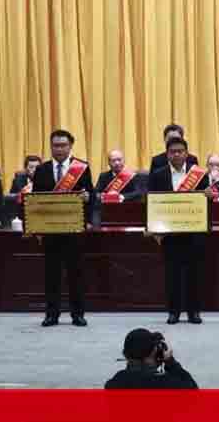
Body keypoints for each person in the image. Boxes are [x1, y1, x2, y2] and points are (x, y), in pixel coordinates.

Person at [32, 129, 94, 327]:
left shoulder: (81, 168)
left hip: (74, 230)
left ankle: (78, 314)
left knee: (76, 274)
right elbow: (35, 200)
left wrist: (87, 198)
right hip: (50, 231)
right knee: (51, 275)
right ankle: (51, 315)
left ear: (70, 146)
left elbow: (91, 196)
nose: (59, 149)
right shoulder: (42, 170)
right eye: (55, 145)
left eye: (63, 145)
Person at [148, 137, 212, 324]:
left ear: (186, 153)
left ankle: (194, 312)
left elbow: (206, 202)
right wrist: (154, 229)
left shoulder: (199, 174)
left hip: (194, 232)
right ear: (167, 154)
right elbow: (152, 201)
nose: (176, 154)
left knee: (194, 274)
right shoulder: (158, 175)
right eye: (173, 151)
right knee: (172, 274)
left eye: (180, 151)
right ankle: (173, 312)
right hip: (170, 233)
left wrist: (208, 196)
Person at [105, 328, 198, 389]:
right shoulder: (165, 383)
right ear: (153, 353)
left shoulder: (115, 382)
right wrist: (170, 362)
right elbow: (193, 390)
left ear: (125, 355)